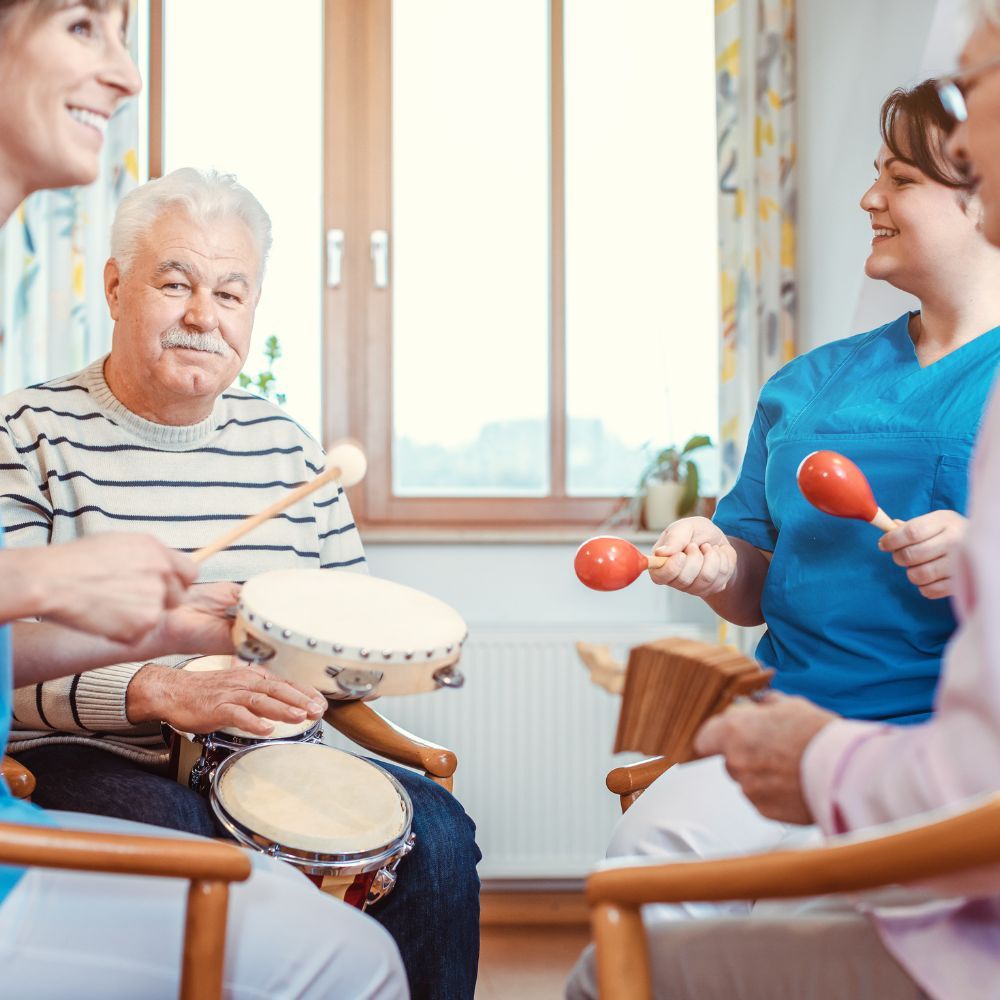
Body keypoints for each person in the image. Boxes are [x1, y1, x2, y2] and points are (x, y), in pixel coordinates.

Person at [567, 5, 1000, 998]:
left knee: (813, 938)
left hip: (932, 765)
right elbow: (749, 578)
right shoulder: (805, 385)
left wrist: (976, 549)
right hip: (778, 729)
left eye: (897, 179)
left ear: (976, 193)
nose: (865, 198)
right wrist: (715, 562)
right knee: (627, 905)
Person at [0, 2, 407, 996]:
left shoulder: (288, 446)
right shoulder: (32, 431)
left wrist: (271, 656)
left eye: (229, 294)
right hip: (86, 764)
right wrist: (147, 676)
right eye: (173, 283)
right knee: (326, 946)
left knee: (435, 845)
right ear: (112, 287)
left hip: (263, 753)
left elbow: (353, 640)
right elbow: (17, 677)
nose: (200, 314)